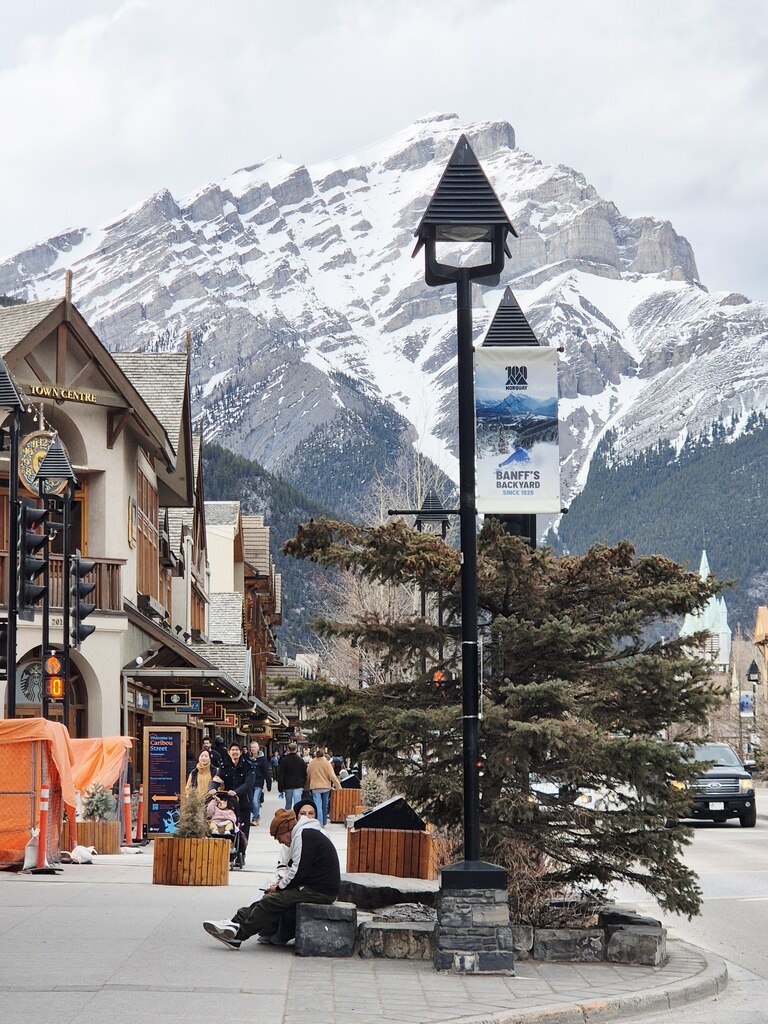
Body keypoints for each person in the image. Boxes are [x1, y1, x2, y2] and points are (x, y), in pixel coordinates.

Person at [203, 806, 340, 950]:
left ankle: (238, 936)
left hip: (320, 892)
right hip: (315, 887)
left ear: (285, 831)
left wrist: (279, 887)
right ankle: (234, 922)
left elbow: (298, 871)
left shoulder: (303, 835)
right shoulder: (305, 833)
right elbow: (300, 871)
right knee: (269, 897)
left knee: (271, 900)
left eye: (278, 837)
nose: (280, 842)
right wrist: (280, 886)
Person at [210, 743, 255, 842]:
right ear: (229, 752)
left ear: (240, 752)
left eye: (237, 750)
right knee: (227, 830)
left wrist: (236, 792)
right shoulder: (224, 766)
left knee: (243, 832)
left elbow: (248, 784)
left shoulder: (248, 765)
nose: (235, 752)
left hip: (243, 803)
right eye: (232, 750)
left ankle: (242, 852)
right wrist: (212, 788)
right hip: (229, 805)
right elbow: (217, 779)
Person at [306, 747, 341, 827]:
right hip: (326, 787)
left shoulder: (312, 763)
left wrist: (307, 786)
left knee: (318, 805)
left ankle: (319, 823)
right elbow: (332, 776)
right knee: (325, 805)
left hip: (315, 787)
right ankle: (324, 821)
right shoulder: (327, 763)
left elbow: (308, 775)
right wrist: (338, 786)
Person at [245, 741, 272, 826]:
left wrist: (268, 784)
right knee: (249, 801)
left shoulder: (263, 759)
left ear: (258, 748)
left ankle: (255, 818)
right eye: (252, 747)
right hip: (248, 784)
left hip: (258, 783)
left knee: (255, 801)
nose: (253, 749)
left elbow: (266, 772)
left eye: (255, 747)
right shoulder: (247, 758)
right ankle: (257, 814)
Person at [277, 741, 307, 811]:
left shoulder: (284, 760)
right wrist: (303, 784)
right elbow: (304, 773)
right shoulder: (301, 760)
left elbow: (281, 774)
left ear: (288, 749)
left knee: (288, 804)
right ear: (296, 749)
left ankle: (288, 817)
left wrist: (280, 788)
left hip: (288, 785)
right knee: (298, 803)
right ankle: (297, 817)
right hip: (298, 785)